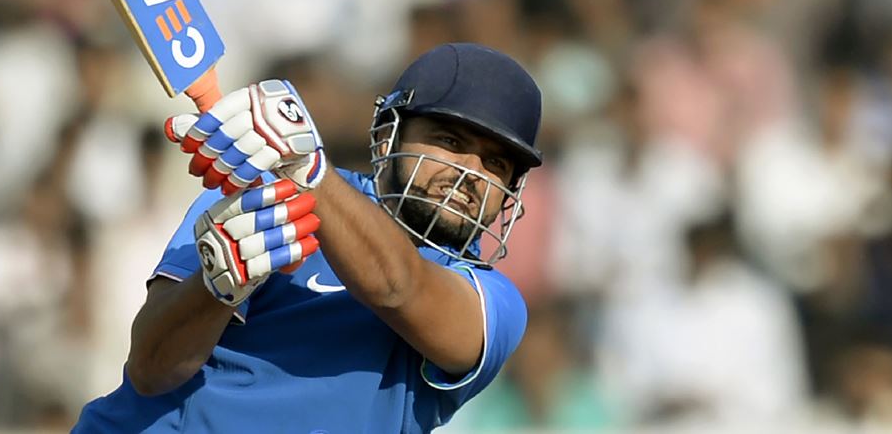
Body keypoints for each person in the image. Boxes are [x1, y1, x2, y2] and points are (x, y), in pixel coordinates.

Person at [73, 42, 543, 432]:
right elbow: (150, 368)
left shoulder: (493, 303)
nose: (470, 172)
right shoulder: (265, 188)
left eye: (496, 163)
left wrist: (308, 171)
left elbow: (398, 287)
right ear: (387, 137)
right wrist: (215, 289)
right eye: (451, 142)